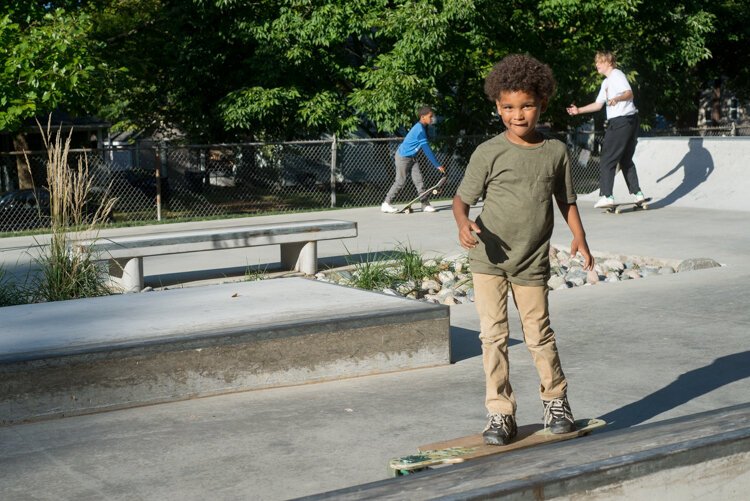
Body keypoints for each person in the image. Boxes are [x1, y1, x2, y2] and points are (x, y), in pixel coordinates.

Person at [452, 54, 594, 446]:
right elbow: (461, 201)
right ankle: (500, 413)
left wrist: (579, 237)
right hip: (488, 259)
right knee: (493, 336)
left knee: (539, 334)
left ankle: (555, 401)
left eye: (527, 105)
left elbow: (566, 200)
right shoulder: (488, 152)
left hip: (531, 261)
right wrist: (464, 225)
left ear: (542, 104)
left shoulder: (556, 152)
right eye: (509, 107)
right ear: (497, 106)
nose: (518, 115)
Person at [566, 51, 646, 209]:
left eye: (599, 62)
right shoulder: (606, 83)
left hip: (621, 121)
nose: (596, 65)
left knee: (607, 158)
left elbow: (629, 93)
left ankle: (606, 195)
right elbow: (598, 105)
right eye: (596, 62)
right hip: (630, 121)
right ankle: (638, 194)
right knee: (625, 160)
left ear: (609, 62)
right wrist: (578, 110)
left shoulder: (616, 75)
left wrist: (617, 98)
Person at [381, 106, 446, 213]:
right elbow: (427, 149)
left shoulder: (423, 127)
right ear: (423, 117)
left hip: (412, 157)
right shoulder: (419, 129)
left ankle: (425, 204)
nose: (432, 118)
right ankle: (386, 203)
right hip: (403, 157)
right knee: (400, 181)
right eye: (430, 116)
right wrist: (437, 165)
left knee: (419, 180)